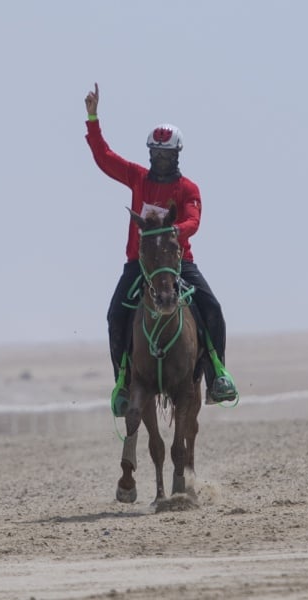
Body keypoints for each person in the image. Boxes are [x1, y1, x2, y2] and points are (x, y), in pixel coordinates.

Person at [84, 83, 237, 416]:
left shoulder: (188, 188)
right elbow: (104, 158)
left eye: (166, 155)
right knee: (115, 315)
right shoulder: (138, 178)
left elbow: (194, 222)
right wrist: (93, 118)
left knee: (212, 308)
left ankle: (217, 377)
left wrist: (172, 232)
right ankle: (122, 383)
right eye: (155, 153)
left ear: (177, 155)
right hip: (139, 265)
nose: (160, 159)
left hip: (178, 264)